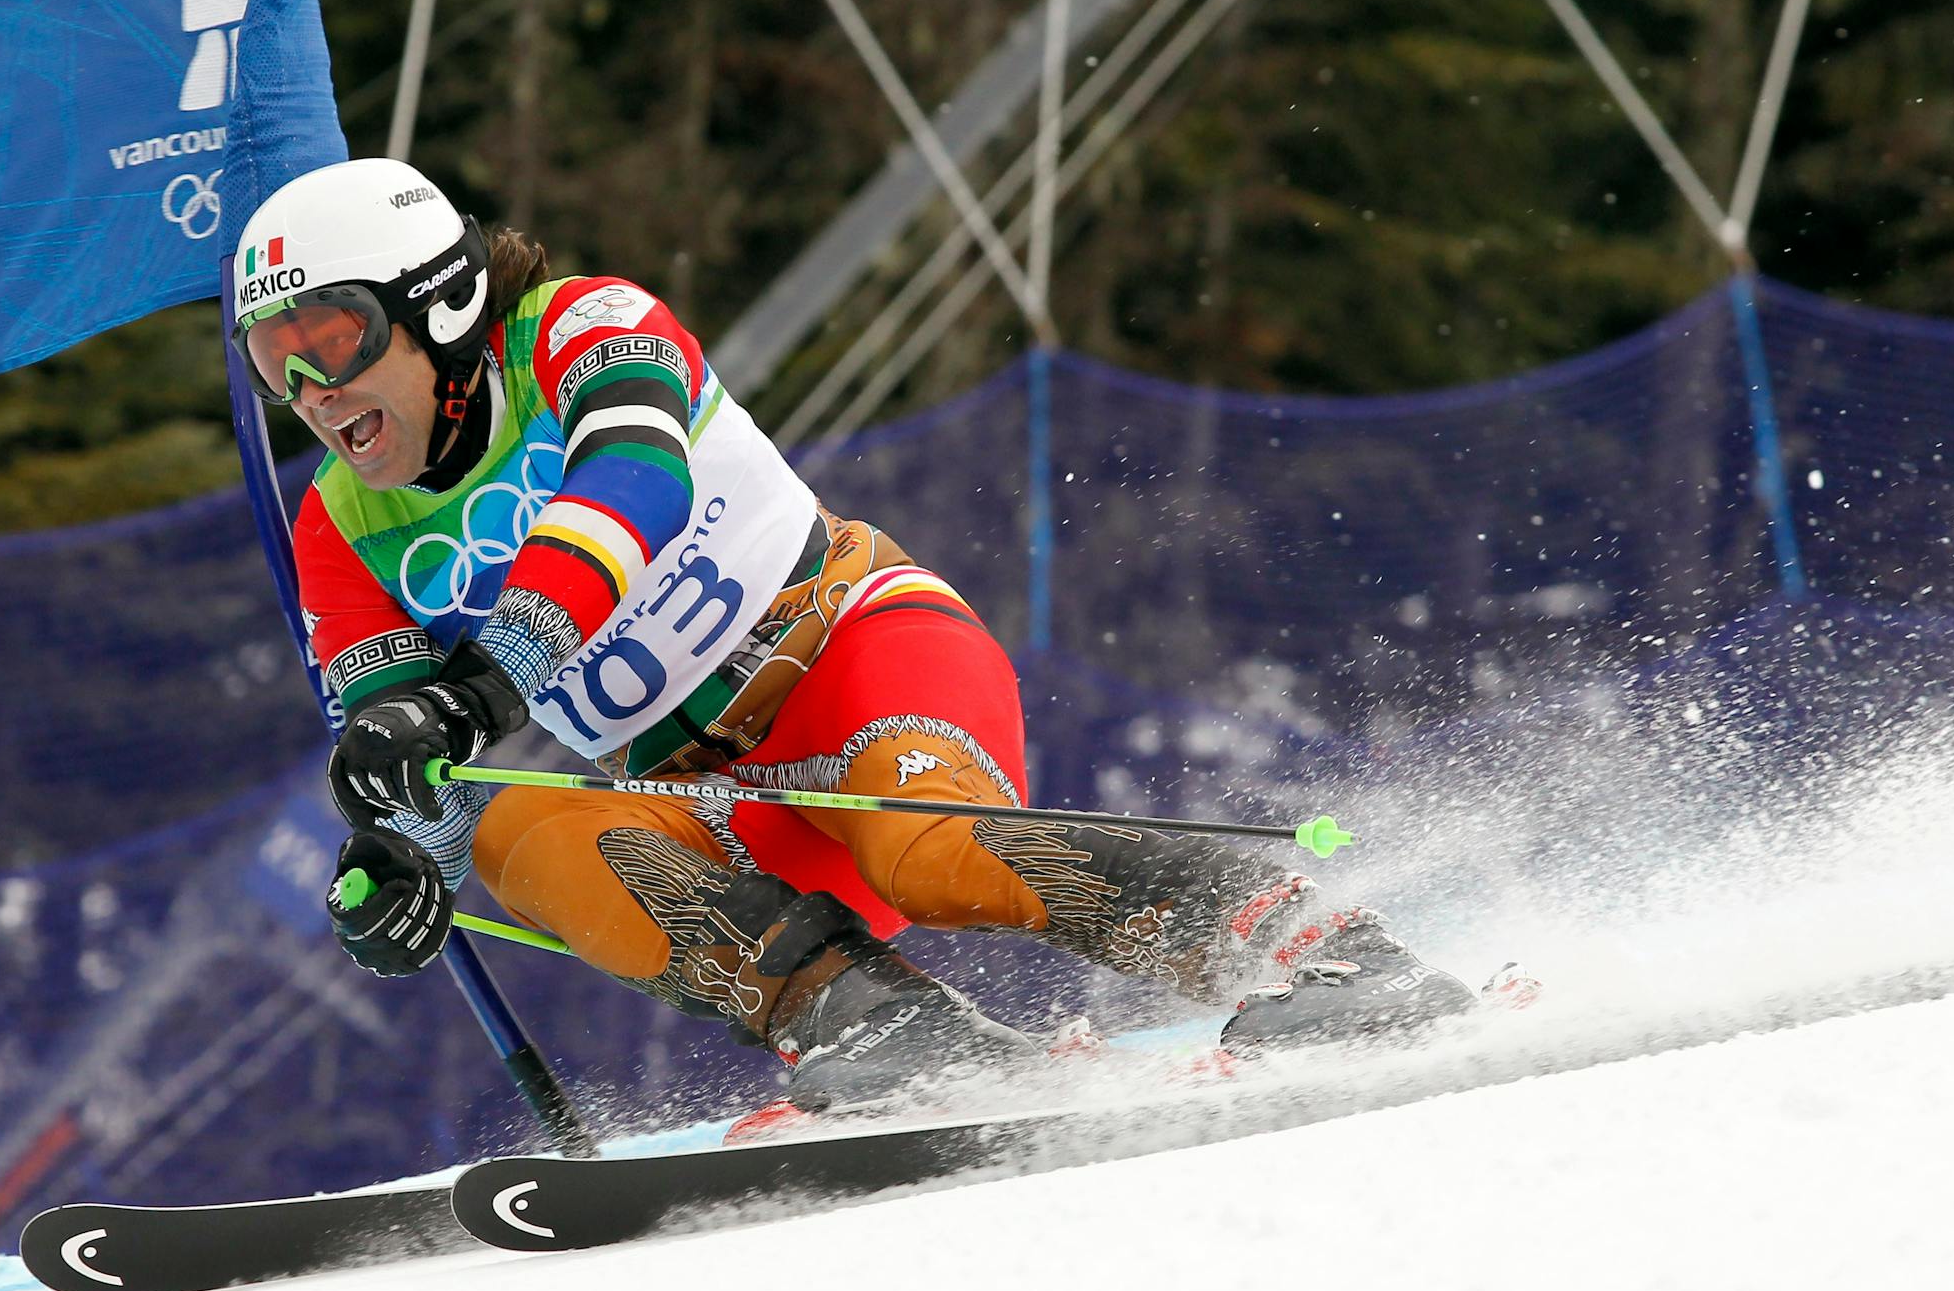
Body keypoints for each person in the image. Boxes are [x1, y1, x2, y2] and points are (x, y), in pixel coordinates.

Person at [231, 157, 1477, 1113]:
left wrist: (484, 679)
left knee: (931, 855)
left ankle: (1322, 950)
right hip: (711, 790)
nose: (312, 391)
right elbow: (423, 772)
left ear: (438, 305)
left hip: (851, 652)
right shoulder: (339, 527)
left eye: (331, 337)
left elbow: (632, 488)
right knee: (512, 823)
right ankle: (871, 1022)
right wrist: (397, 864)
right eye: (274, 359)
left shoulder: (581, 324)